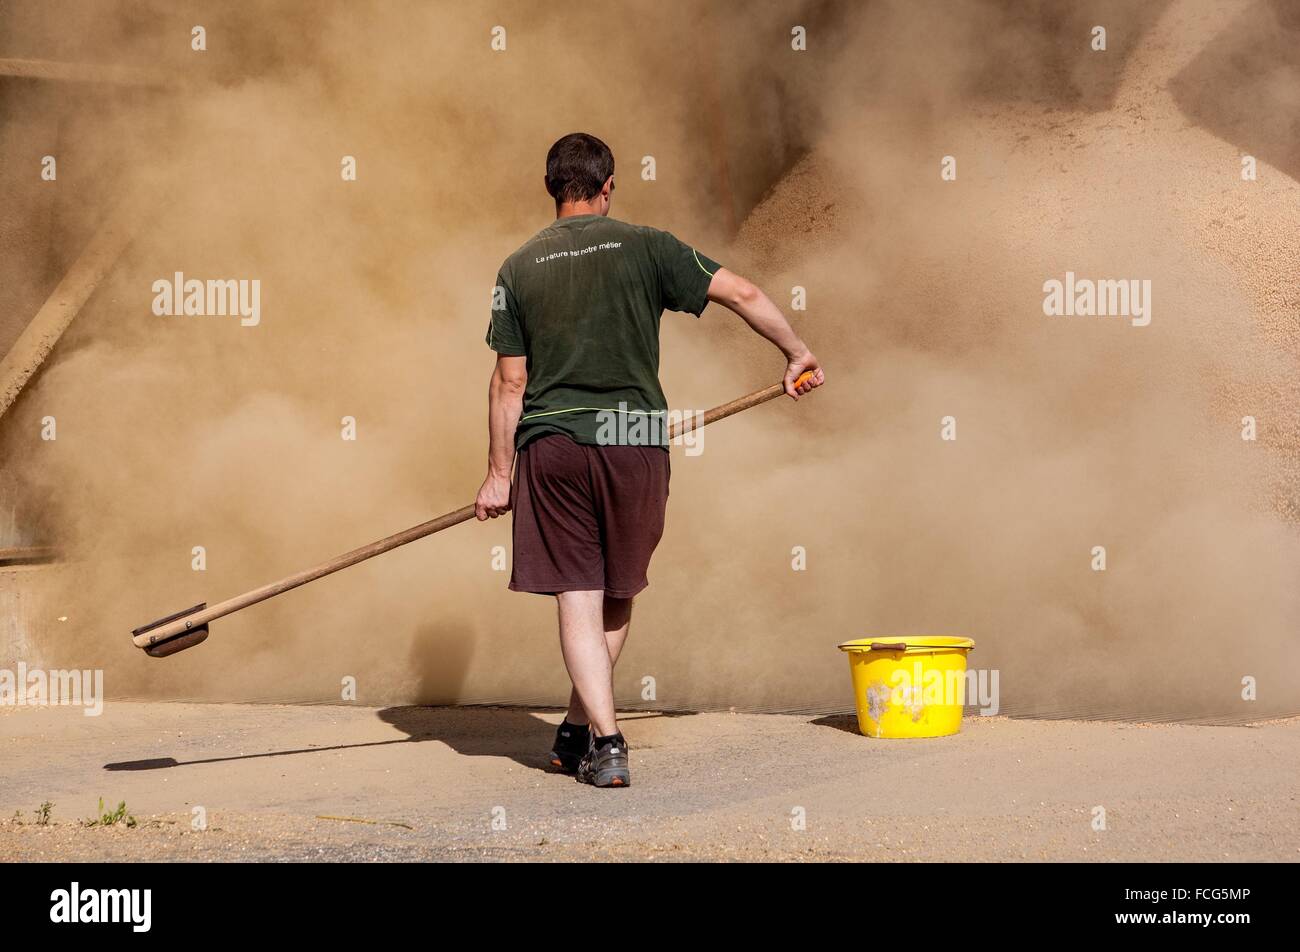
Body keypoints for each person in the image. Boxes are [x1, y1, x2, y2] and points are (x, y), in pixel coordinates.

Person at [476, 132, 824, 787]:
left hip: (554, 447)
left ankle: (588, 733)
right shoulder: (649, 246)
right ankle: (603, 738)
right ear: (608, 187)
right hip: (635, 443)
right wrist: (795, 352)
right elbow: (744, 293)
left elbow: (509, 383)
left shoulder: (517, 268)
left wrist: (500, 477)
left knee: (578, 595)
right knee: (616, 593)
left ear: (553, 189)